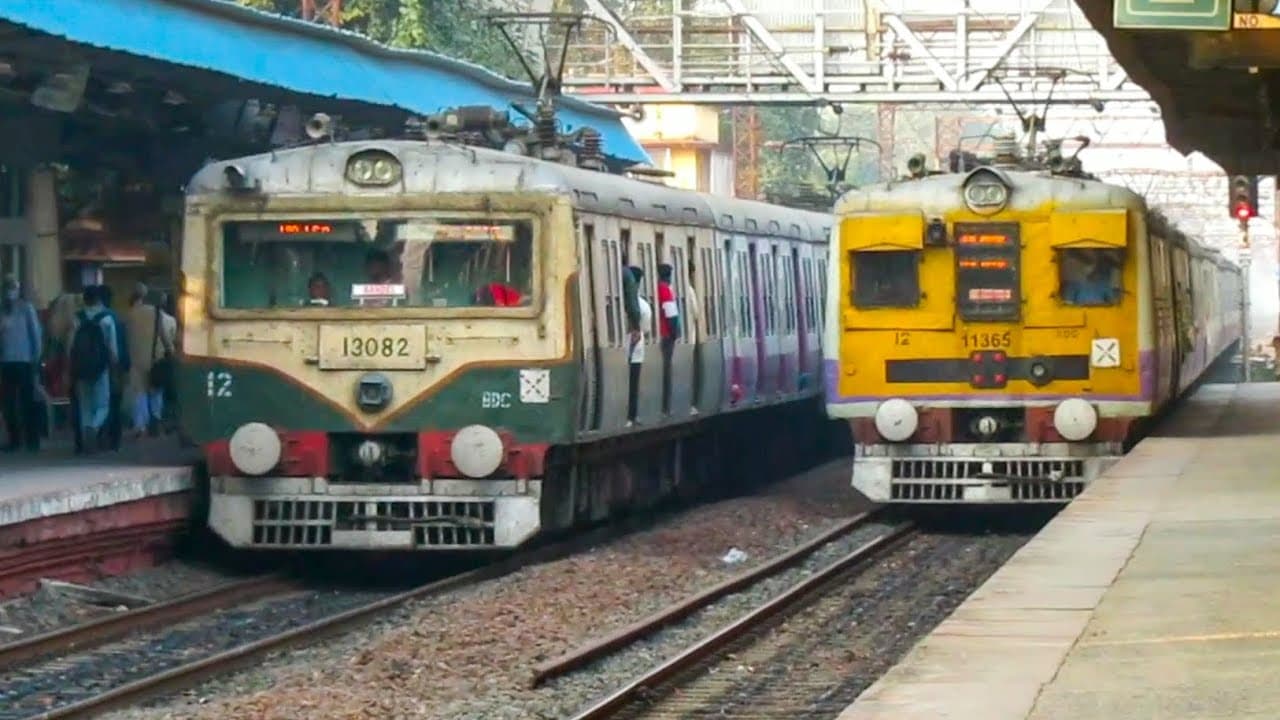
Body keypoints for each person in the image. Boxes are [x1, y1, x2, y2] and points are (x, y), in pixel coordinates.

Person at [68, 285, 118, 453]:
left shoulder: (77, 318)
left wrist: (70, 364)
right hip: (100, 368)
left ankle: (86, 430)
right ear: (99, 299)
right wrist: (114, 365)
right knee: (103, 404)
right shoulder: (107, 318)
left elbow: (70, 345)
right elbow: (112, 347)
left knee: (84, 405)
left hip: (80, 368)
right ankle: (95, 428)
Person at [126, 283, 176, 438]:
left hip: (136, 359)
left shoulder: (132, 314)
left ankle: (140, 426)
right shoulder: (158, 314)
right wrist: (171, 352)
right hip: (155, 359)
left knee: (139, 394)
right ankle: (156, 421)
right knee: (156, 393)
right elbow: (165, 337)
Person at [0, 277, 43, 451]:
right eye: (7, 287)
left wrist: (36, 358)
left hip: (25, 361)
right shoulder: (2, 310)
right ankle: (14, 440)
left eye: (13, 287)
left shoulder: (26, 309)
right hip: (5, 361)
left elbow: (36, 335)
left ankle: (32, 440)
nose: (10, 291)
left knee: (28, 402)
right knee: (9, 403)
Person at [97, 285, 129, 451]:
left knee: (99, 403)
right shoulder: (116, 318)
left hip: (97, 368)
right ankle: (114, 440)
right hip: (114, 368)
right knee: (114, 403)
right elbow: (119, 347)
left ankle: (101, 438)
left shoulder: (92, 318)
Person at [626, 266, 651, 427]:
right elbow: (647, 330)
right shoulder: (644, 305)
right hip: (638, 351)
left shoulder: (628, 303)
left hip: (628, 349)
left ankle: (629, 416)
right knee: (634, 385)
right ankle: (633, 416)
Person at [656, 263, 681, 416]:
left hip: (662, 334)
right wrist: (676, 333)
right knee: (667, 370)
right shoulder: (665, 290)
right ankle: (666, 407)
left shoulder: (657, 289)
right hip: (666, 335)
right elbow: (671, 315)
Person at [685, 261, 702, 416]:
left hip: (679, 338)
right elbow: (696, 313)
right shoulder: (689, 290)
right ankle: (690, 403)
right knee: (690, 371)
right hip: (690, 336)